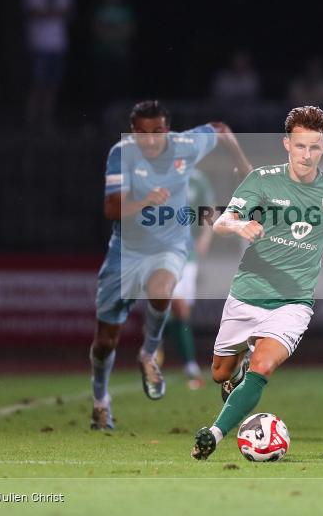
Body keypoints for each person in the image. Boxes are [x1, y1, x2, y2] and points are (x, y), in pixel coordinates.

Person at [190, 105, 323, 459]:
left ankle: (214, 433)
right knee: (220, 373)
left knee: (263, 366)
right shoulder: (263, 180)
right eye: (300, 146)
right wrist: (240, 225)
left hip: (293, 302)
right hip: (248, 294)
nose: (306, 154)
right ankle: (235, 374)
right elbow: (223, 221)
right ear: (286, 143)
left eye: (314, 147)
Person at [90, 100, 252, 430]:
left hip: (171, 246)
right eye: (142, 133)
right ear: (132, 131)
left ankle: (149, 354)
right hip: (126, 251)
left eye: (157, 131)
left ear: (168, 129)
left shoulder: (185, 144)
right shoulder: (121, 154)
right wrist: (144, 201)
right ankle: (100, 401)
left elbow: (220, 129)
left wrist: (243, 165)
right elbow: (110, 208)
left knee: (163, 290)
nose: (150, 139)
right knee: (105, 341)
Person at [166, 168, 216, 390]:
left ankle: (186, 362)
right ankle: (156, 349)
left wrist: (205, 236)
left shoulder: (198, 179)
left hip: (189, 255)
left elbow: (209, 209)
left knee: (182, 310)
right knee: (176, 303)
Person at [24, 0, 73, 134]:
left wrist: (48, 13)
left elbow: (68, 13)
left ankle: (47, 121)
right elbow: (32, 11)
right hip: (39, 43)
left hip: (57, 44)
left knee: (52, 85)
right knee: (38, 84)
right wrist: (53, 13)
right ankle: (31, 122)